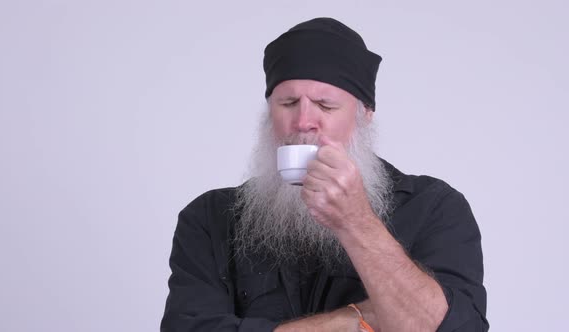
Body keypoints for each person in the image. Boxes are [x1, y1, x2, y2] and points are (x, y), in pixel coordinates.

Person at [161, 17, 488, 332]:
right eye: (288, 102)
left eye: (325, 105)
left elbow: (457, 328)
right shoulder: (209, 218)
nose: (303, 122)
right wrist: (352, 321)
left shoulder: (434, 208)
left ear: (365, 114)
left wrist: (355, 220)